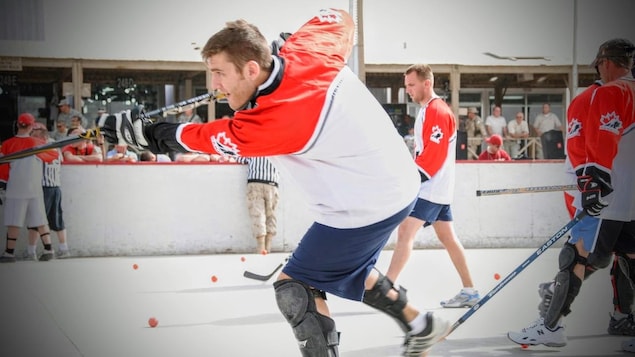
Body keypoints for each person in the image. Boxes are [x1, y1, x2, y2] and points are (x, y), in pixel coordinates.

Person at [97, 9, 450, 356]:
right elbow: (340, 16)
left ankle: (415, 327)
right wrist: (292, 41)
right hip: (390, 186)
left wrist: (146, 134)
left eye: (220, 74)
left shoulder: (275, 120)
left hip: (365, 204)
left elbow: (202, 137)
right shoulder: (307, 47)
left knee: (296, 287)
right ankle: (421, 325)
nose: (214, 86)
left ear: (252, 69)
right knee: (341, 267)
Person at [507, 38, 635, 352]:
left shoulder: (608, 93)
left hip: (608, 200)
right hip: (630, 200)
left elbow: (600, 140)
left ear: (604, 62)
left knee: (574, 257)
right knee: (628, 258)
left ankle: (550, 326)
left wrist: (591, 183)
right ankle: (615, 316)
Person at [385, 64, 480, 310]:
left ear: (427, 83)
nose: (408, 90)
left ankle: (386, 289)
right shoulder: (431, 110)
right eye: (406, 85)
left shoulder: (436, 111)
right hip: (439, 189)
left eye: (411, 85)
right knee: (448, 237)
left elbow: (433, 158)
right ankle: (470, 290)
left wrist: (410, 180)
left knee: (406, 232)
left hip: (431, 189)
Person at [0, 113, 58, 263]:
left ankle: (9, 253)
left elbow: (3, 169)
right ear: (31, 126)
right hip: (35, 189)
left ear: (18, 125)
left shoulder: (6, 145)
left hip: (15, 189)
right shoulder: (39, 144)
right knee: (40, 220)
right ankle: (48, 249)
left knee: (14, 221)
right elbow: (53, 156)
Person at [28, 123, 71, 259]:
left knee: (36, 220)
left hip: (43, 187)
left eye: (33, 131)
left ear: (39, 132)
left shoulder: (39, 147)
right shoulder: (55, 145)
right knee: (57, 219)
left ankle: (31, 252)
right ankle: (64, 249)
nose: (31, 133)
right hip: (55, 187)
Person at [235, 157, 280, 253]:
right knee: (271, 215)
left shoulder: (253, 146)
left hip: (255, 181)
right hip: (272, 182)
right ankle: (268, 248)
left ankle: (261, 248)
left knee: (257, 214)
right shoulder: (277, 148)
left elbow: (240, 158)